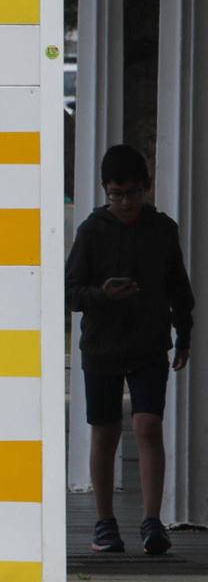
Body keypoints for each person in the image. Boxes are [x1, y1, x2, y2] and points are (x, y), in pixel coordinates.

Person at [67, 143, 195, 556]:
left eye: (133, 193)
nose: (125, 202)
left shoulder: (163, 229)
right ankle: (105, 522)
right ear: (105, 191)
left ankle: (152, 520)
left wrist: (184, 331)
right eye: (116, 194)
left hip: (148, 342)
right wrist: (103, 295)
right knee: (104, 432)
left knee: (146, 426)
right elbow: (71, 292)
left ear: (147, 188)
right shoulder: (91, 231)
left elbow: (178, 285)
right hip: (101, 345)